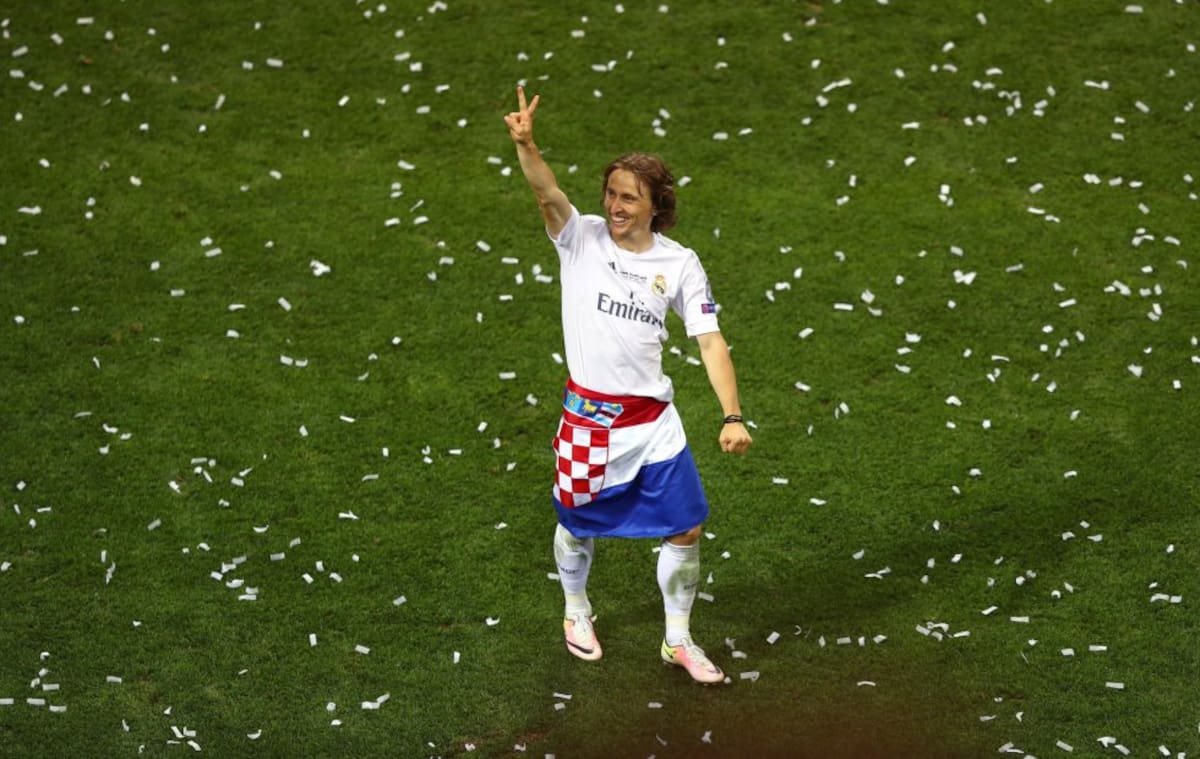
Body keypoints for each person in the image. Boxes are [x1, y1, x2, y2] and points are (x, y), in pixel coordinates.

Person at [504, 86, 753, 684]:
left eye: (628, 197)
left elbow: (710, 341)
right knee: (576, 523)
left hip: (654, 425)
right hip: (589, 423)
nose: (615, 206)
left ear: (655, 206)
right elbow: (546, 192)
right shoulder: (580, 238)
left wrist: (732, 415)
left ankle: (678, 640)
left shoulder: (680, 263)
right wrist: (527, 145)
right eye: (611, 193)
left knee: (686, 526)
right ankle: (576, 610)